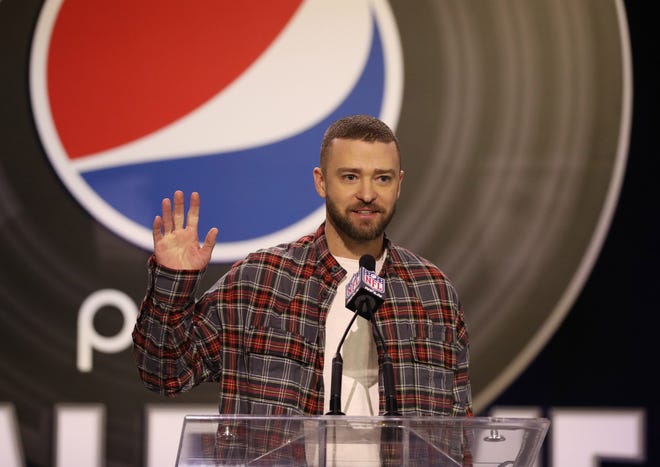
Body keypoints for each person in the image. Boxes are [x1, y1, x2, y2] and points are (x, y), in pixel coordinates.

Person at [132, 114, 472, 418]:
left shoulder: (434, 293)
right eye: (350, 177)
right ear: (321, 181)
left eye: (382, 178)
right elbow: (165, 372)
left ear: (399, 183)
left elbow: (458, 432)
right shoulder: (259, 282)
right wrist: (173, 282)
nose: (367, 193)